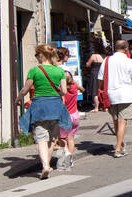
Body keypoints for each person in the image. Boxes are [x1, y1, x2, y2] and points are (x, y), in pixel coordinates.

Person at [16, 44, 73, 179]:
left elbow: (25, 89)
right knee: (51, 138)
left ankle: (46, 165)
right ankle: (47, 164)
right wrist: (54, 92)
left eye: (36, 55)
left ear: (41, 55)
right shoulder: (59, 71)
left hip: (40, 106)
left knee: (41, 138)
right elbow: (64, 91)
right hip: (55, 106)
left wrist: (18, 98)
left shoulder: (34, 71)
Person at [98, 39, 132, 157]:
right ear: (126, 49)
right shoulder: (129, 62)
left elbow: (100, 79)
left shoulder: (106, 60)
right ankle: (118, 149)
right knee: (122, 122)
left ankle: (120, 144)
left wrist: (101, 91)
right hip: (125, 95)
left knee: (116, 120)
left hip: (110, 95)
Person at [52, 46, 82, 168]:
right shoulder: (73, 86)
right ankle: (70, 158)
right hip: (75, 114)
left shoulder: (56, 71)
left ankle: (66, 154)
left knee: (61, 138)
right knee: (71, 138)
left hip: (65, 115)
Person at [83, 40, 104, 112]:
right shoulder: (102, 56)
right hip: (101, 73)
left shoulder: (93, 56)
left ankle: (96, 107)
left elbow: (88, 64)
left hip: (94, 73)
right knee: (101, 89)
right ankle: (103, 106)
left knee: (95, 91)